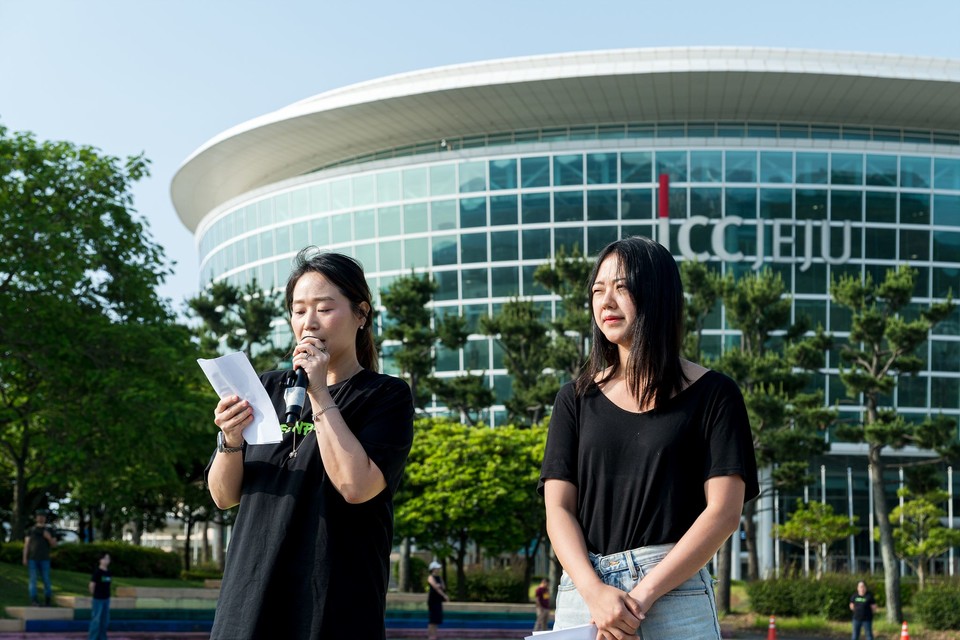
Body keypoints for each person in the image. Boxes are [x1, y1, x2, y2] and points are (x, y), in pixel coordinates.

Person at [539, 236, 759, 640]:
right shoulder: (574, 399)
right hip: (584, 594)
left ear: (658, 295)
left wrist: (638, 600)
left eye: (622, 287)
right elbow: (558, 511)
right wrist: (596, 593)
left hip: (673, 591)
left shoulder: (714, 394)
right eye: (597, 290)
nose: (606, 301)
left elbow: (725, 511)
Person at [206, 247, 415, 639]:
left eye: (324, 308)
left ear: (361, 313)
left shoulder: (386, 395)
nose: (309, 322)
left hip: (334, 605)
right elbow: (222, 495)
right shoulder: (265, 387)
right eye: (299, 310)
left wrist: (319, 390)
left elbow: (356, 487)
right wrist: (230, 438)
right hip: (249, 601)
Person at [22, 509, 57, 606]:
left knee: (46, 579)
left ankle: (47, 600)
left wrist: (48, 538)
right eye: (39, 516)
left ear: (45, 518)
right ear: (36, 518)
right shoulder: (31, 530)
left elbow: (54, 545)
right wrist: (24, 557)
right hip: (32, 558)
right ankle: (34, 600)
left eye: (43, 516)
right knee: (33, 580)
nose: (41, 518)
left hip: (45, 559)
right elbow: (26, 545)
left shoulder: (50, 530)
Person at [88, 552, 112, 640]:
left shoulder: (109, 573)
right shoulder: (97, 572)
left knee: (105, 620)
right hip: (98, 599)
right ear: (100, 560)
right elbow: (91, 585)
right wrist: (94, 594)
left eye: (108, 559)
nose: (107, 560)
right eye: (105, 558)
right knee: (96, 620)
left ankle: (102, 637)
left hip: (106, 598)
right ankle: (92, 638)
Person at [426, 561, 449, 640]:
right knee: (432, 619)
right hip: (432, 600)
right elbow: (436, 587)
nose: (438, 569)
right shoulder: (430, 577)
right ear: (433, 569)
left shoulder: (439, 577)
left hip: (438, 600)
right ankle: (430, 636)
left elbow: (443, 586)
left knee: (436, 619)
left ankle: (434, 635)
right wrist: (444, 595)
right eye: (437, 568)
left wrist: (439, 586)